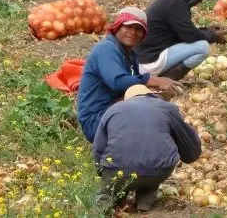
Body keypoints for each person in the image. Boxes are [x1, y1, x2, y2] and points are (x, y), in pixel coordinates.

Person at [76, 7, 182, 143]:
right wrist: (153, 80)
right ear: (118, 26)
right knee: (153, 114)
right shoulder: (106, 49)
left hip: (112, 109)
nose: (133, 32)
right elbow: (117, 82)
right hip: (96, 120)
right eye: (128, 27)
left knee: (157, 105)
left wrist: (156, 92)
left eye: (138, 29)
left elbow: (133, 87)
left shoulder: (130, 54)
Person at [93, 84, 202, 212]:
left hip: (118, 172)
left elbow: (98, 148)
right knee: (150, 176)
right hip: (158, 171)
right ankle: (145, 201)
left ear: (127, 99)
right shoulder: (167, 108)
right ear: (151, 95)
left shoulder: (113, 110)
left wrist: (104, 174)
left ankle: (105, 206)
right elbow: (190, 144)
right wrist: (189, 155)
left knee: (108, 192)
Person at [134, 0, 227, 81]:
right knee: (203, 47)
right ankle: (167, 80)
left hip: (143, 59)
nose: (200, 2)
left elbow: (183, 32)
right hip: (149, 62)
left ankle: (160, 79)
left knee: (200, 43)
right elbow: (190, 36)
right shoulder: (176, 1)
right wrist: (213, 35)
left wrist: (207, 30)